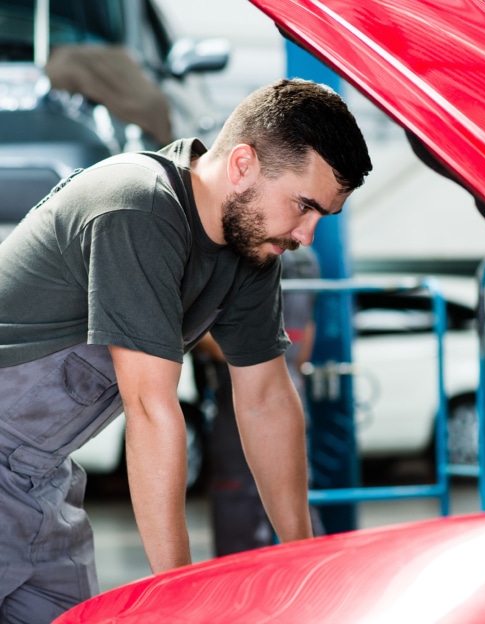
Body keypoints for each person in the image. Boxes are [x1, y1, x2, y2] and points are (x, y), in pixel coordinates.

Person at [0, 78, 372, 622]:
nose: (307, 235)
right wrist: (178, 595)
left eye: (323, 217)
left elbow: (266, 397)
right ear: (243, 164)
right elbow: (151, 408)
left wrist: (301, 557)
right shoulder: (138, 207)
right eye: (304, 206)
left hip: (40, 478)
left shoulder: (251, 247)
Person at [194, 246, 323, 556]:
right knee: (297, 493)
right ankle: (308, 573)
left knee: (238, 495)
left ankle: (246, 587)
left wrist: (248, 356)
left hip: (240, 394)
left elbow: (199, 335)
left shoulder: (239, 251)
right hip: (292, 388)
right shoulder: (307, 260)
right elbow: (306, 339)